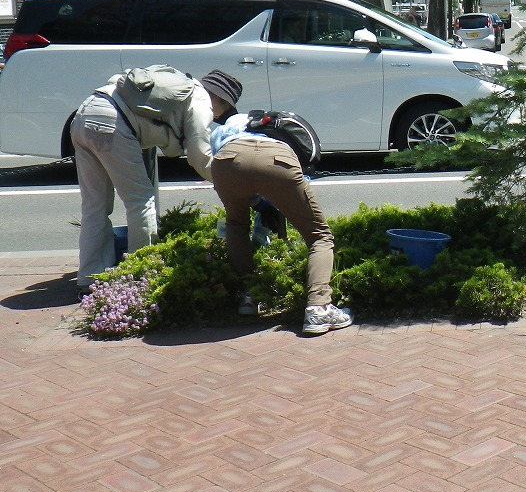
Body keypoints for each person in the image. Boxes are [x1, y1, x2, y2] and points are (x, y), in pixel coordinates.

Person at [71, 69, 242, 292]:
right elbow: (199, 155)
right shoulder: (201, 100)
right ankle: (140, 276)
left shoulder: (177, 81)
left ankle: (89, 278)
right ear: (219, 99)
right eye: (223, 111)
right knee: (141, 201)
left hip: (85, 113)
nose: (217, 118)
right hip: (113, 122)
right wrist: (227, 181)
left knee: (94, 206)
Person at [209, 112, 353, 334]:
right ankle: (319, 308)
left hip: (227, 160)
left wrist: (260, 203)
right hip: (277, 159)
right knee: (319, 235)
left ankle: (250, 296)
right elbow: (299, 171)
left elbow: (237, 168)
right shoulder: (282, 129)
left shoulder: (230, 126)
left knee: (236, 225)